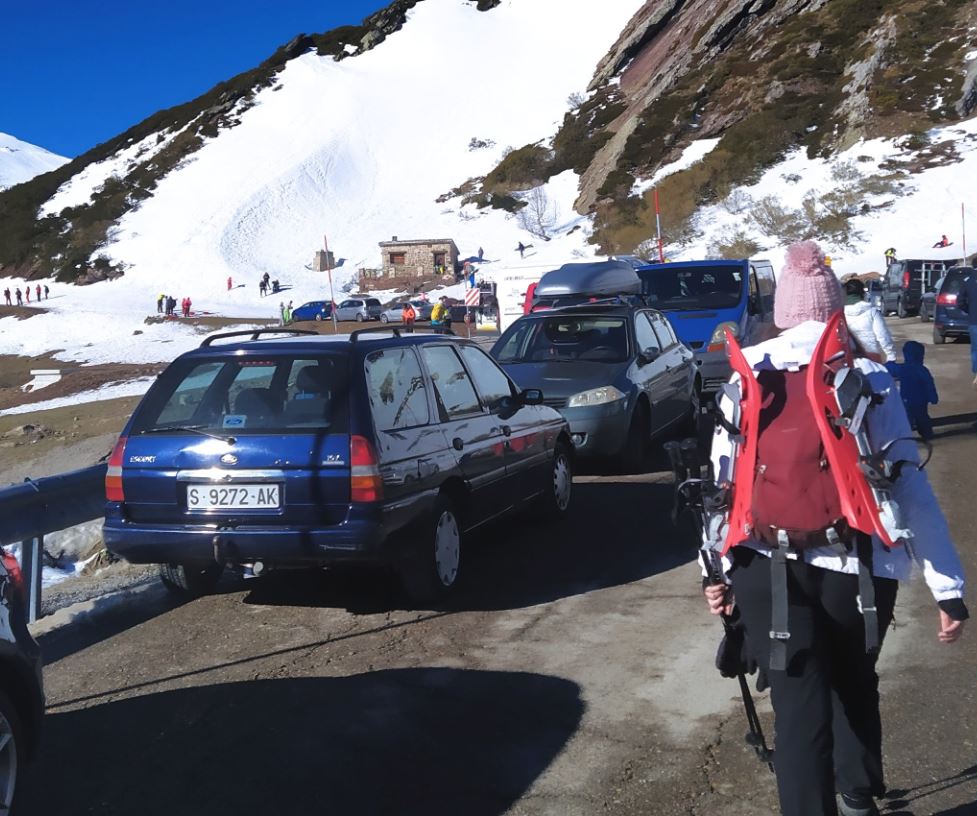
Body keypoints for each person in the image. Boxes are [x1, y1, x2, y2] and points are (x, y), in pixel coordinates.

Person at [702, 240, 967, 816]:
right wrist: (948, 588)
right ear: (834, 314)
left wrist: (716, 571)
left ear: (782, 313)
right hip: (856, 567)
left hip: (760, 562)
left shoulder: (745, 379)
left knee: (798, 709)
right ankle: (857, 791)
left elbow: (723, 487)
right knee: (852, 677)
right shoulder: (869, 378)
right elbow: (908, 488)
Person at [886, 341, 938, 440]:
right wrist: (933, 396)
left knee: (907, 418)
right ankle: (927, 433)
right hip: (921, 400)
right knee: (922, 418)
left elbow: (890, 368)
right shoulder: (922, 370)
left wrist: (888, 363)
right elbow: (930, 384)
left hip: (907, 400)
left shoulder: (903, 368)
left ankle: (906, 435)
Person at [843, 278, 895, 362]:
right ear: (863, 293)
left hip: (850, 358)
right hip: (872, 356)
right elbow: (882, 335)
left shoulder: (841, 314)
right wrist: (891, 355)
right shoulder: (872, 311)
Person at [954, 267, 977, 388]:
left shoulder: (968, 280)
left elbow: (959, 302)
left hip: (975, 320)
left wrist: (970, 310)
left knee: (975, 349)